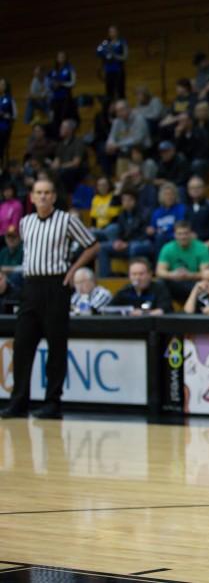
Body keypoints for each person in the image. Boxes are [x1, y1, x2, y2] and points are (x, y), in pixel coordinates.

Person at [0, 179, 98, 420]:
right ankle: (19, 401)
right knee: (22, 345)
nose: (43, 197)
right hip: (31, 286)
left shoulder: (67, 220)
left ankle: (52, 402)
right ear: (31, 197)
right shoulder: (25, 222)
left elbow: (92, 246)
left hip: (56, 285)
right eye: (38, 193)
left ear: (54, 197)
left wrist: (73, 269)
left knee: (56, 346)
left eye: (47, 193)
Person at [97, 190, 153, 277]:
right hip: (126, 244)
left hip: (141, 243)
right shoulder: (122, 214)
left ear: (135, 201)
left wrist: (127, 243)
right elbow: (120, 232)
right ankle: (105, 279)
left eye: (129, 200)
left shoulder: (144, 213)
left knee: (134, 247)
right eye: (124, 200)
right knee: (102, 247)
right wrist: (118, 241)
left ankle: (133, 276)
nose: (126, 202)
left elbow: (144, 234)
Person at [156, 220, 209, 303]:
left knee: (205, 285)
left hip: (194, 283)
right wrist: (173, 274)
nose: (183, 237)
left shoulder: (202, 248)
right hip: (174, 283)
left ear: (191, 234)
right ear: (175, 235)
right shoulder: (167, 248)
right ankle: (165, 311)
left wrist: (189, 275)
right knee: (160, 283)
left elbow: (206, 274)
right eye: (179, 234)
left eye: (185, 233)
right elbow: (159, 272)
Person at [96, 25, 128, 101]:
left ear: (117, 32)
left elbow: (125, 57)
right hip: (108, 71)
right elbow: (98, 52)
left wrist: (114, 55)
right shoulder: (105, 42)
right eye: (110, 31)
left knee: (120, 92)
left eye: (113, 31)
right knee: (109, 93)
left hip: (118, 70)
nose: (112, 33)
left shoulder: (122, 42)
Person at [185, 176, 209, 242]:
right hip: (189, 242)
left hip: (208, 242)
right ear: (188, 190)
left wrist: (198, 235)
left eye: (198, 187)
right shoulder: (186, 207)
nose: (195, 190)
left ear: (204, 189)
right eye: (192, 188)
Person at [0, 77, 14, 167]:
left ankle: (3, 167)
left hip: (4, 127)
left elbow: (13, 115)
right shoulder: (0, 98)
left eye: (2, 84)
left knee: (2, 149)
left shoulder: (9, 99)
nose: (0, 86)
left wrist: (3, 114)